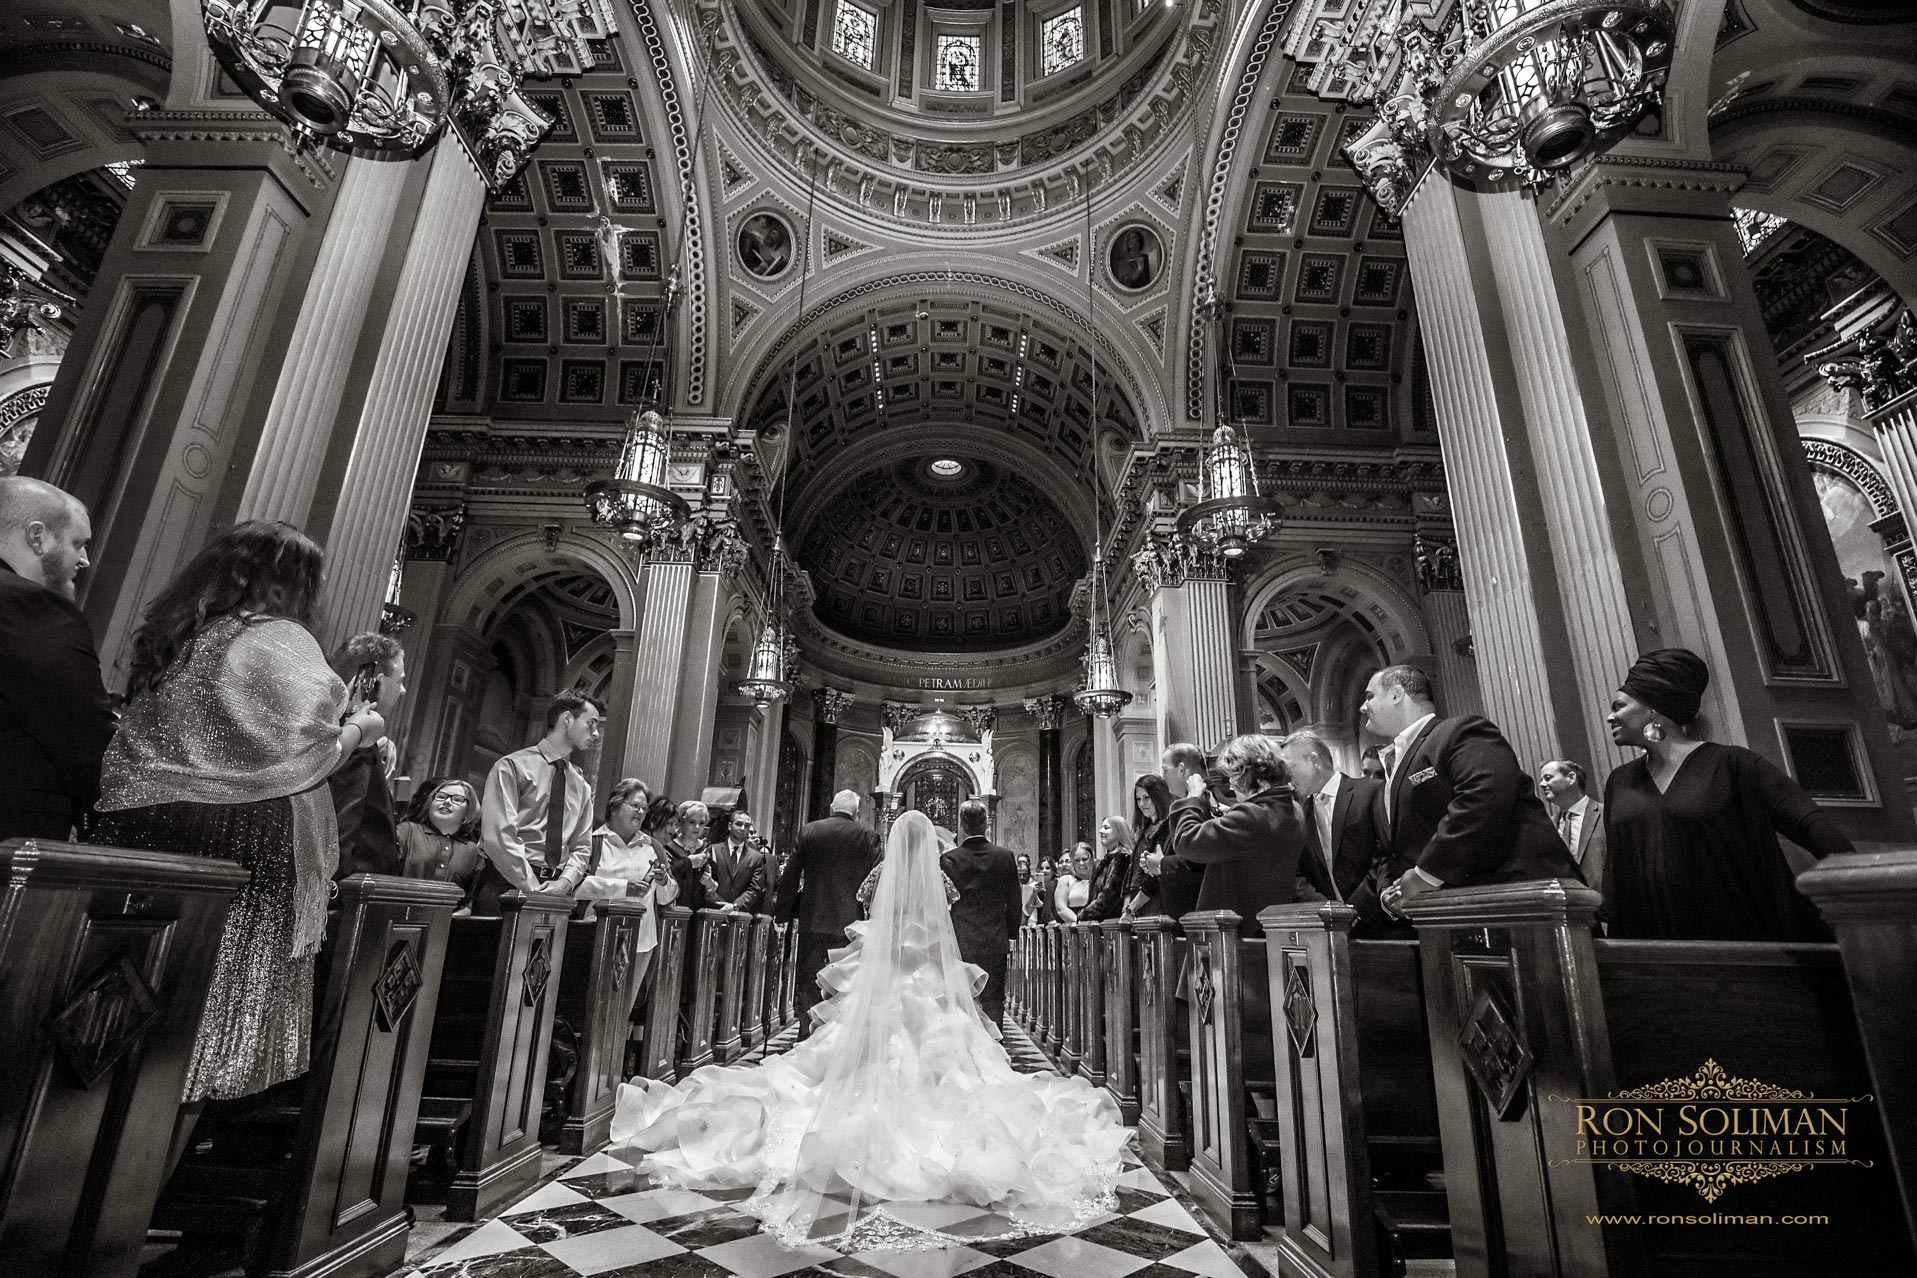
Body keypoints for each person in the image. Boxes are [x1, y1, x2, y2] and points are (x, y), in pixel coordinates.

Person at [611, 810, 1127, 1253]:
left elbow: (867, 911)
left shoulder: (879, 876)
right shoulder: (940, 880)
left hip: (882, 975)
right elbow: (944, 923)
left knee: (846, 1054)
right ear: (929, 847)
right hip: (924, 975)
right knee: (946, 1056)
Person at [92, 521, 384, 1134]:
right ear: (293, 584)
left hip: (143, 836)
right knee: (208, 1034)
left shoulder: (179, 641)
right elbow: (309, 746)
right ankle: (129, 1209)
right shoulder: (277, 639)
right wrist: (362, 729)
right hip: (245, 845)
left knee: (122, 1024)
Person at [1602, 648, 1851, 941]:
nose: (1610, 717)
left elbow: (1813, 827)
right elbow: (1616, 870)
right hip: (1652, 951)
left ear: (1653, 708)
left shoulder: (1733, 765)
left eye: (1619, 707)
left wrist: (1862, 895)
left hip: (1739, 943)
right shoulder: (1620, 781)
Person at [1359, 664, 1582, 919]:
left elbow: (1484, 796)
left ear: (1397, 694)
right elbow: (1392, 849)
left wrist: (1425, 875)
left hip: (1525, 900)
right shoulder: (1390, 767)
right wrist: (1391, 893)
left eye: (1369, 696)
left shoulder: (1460, 732)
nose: (1363, 707)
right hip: (1453, 914)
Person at [0, 476, 112, 843]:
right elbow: (84, 743)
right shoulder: (32, 608)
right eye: (78, 543)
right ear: (38, 537)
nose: (85, 560)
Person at [1148, 733, 1317, 936]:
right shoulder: (1293, 809)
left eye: (1233, 777)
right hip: (1266, 926)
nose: (1230, 785)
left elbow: (1187, 842)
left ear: (1248, 774)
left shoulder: (1252, 815)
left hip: (1231, 929)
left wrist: (1192, 798)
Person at [472, 691, 605, 915]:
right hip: (506, 884)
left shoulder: (581, 786)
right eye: (590, 724)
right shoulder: (512, 766)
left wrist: (565, 883)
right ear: (567, 719)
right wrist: (533, 889)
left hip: (556, 890)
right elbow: (498, 837)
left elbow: (582, 846)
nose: (595, 734)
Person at [774, 789, 882, 1039]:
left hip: (813, 917)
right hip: (849, 921)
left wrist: (783, 915)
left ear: (832, 807)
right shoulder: (868, 836)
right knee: (842, 980)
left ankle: (805, 1032)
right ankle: (836, 1037)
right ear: (857, 812)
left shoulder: (809, 831)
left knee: (809, 976)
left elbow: (791, 876)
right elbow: (875, 882)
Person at [576, 777, 680, 999]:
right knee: (592, 1003)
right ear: (614, 805)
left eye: (644, 808)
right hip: (596, 935)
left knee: (624, 1010)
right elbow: (574, 885)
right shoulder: (592, 842)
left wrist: (663, 883)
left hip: (642, 940)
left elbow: (667, 897)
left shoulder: (653, 847)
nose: (641, 812)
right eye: (635, 805)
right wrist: (623, 888)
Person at [326, 632, 406, 878]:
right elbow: (344, 826)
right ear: (376, 683)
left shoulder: (328, 728)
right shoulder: (354, 745)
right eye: (400, 680)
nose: (403, 690)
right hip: (348, 894)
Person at [941, 799, 1023, 1028]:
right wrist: (1011, 934)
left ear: (962, 824)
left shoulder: (949, 859)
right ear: (986, 823)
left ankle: (966, 1045)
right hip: (995, 937)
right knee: (994, 996)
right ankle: (996, 1045)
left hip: (961, 937)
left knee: (962, 995)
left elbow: (943, 901)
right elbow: (1014, 900)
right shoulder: (1004, 856)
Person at [395, 777, 483, 907]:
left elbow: (468, 905)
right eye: (441, 797)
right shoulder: (406, 831)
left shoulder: (472, 851)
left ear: (468, 812)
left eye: (457, 799)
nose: (447, 802)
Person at [1539, 758, 1606, 895]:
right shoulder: (1548, 827)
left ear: (1570, 778)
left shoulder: (1606, 814)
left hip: (1608, 906)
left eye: (1547, 778)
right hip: (1570, 908)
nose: (1541, 784)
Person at [1122, 775, 1176, 916]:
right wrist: (1127, 902)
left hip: (1155, 901)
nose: (1141, 804)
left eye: (1146, 798)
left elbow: (1155, 875)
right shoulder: (1145, 828)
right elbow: (1132, 871)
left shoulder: (1168, 826)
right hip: (1137, 902)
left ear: (1158, 797)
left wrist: (1132, 907)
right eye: (1138, 799)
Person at [710, 808, 770, 913]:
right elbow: (707, 881)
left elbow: (755, 889)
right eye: (738, 824)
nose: (742, 828)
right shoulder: (713, 850)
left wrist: (734, 906)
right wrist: (720, 904)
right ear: (729, 826)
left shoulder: (756, 857)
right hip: (713, 911)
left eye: (746, 826)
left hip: (740, 915)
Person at [1077, 816, 1133, 923]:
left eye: (1106, 828)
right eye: (1101, 827)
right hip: (1099, 924)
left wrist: (1082, 915)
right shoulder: (1102, 864)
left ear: (1119, 832)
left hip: (1114, 924)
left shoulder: (1123, 859)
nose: (1100, 831)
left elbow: (1109, 899)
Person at [1053, 842, 1094, 922]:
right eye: (1077, 860)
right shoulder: (1065, 880)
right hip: (1074, 928)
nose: (1081, 863)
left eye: (1085, 859)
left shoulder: (1099, 879)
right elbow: (1061, 909)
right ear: (1072, 862)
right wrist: (1081, 924)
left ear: (1091, 859)